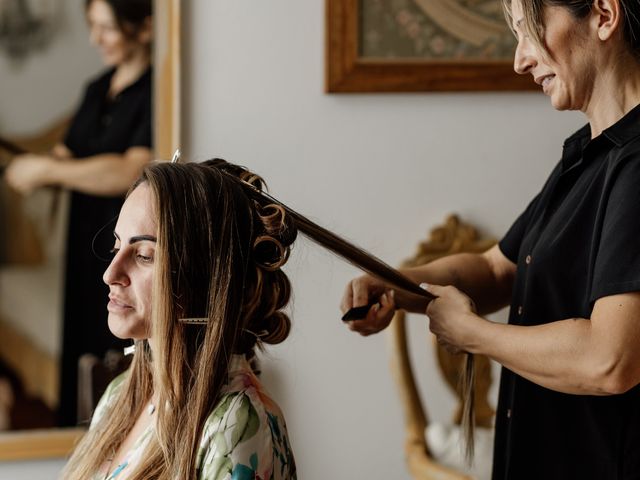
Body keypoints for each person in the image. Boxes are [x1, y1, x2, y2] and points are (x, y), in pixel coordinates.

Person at [340, 0, 640, 478]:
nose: (520, 59)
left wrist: (474, 334)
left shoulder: (636, 164)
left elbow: (611, 358)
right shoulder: (586, 157)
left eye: (530, 31)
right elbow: (499, 269)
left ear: (604, 14)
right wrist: (396, 285)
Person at [61, 160, 297, 479]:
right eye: (116, 246)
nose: (110, 274)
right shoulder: (119, 396)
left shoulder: (237, 426)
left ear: (203, 276)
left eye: (144, 255)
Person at [5, 0, 153, 426]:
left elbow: (132, 168)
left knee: (116, 345)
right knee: (82, 347)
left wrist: (49, 169)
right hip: (81, 243)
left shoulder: (155, 92)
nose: (95, 40)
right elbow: (66, 155)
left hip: (124, 243)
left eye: (106, 28)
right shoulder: (96, 88)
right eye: (92, 27)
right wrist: (35, 168)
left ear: (143, 28)